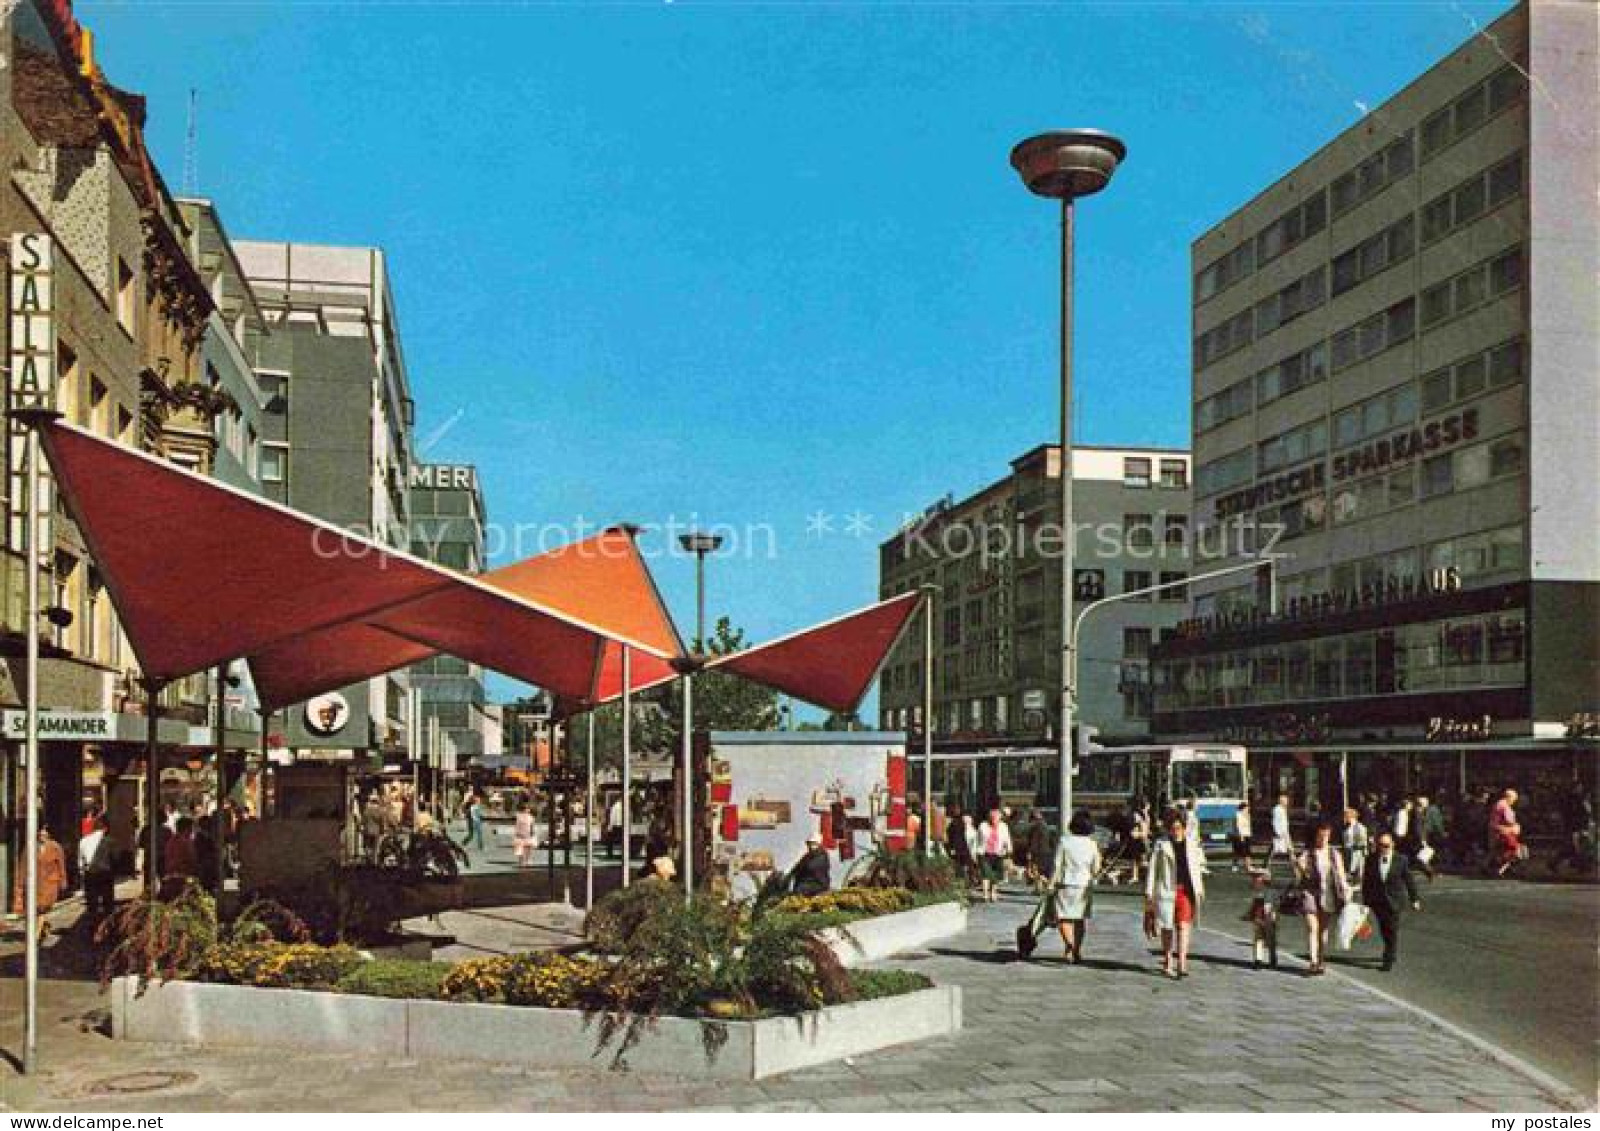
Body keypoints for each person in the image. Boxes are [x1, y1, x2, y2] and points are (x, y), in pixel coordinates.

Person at [1145, 810, 1205, 978]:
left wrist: (1199, 888)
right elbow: (1152, 871)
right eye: (1173, 828)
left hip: (1186, 891)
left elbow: (1198, 867)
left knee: (1183, 925)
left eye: (1179, 827)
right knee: (1167, 927)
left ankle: (1182, 962)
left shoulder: (1192, 844)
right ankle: (1167, 959)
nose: (1176, 831)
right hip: (1166, 891)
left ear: (1185, 828)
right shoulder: (1161, 844)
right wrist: (1149, 894)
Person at [1293, 822, 1350, 976]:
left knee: (1323, 930)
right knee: (1313, 928)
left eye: (1327, 835)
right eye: (1321, 836)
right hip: (1310, 893)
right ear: (1316, 836)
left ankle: (1321, 959)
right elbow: (1300, 876)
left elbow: (1341, 875)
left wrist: (1346, 891)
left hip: (1328, 894)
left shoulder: (1334, 854)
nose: (1324, 838)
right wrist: (1299, 867)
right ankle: (1312, 961)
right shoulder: (1308, 853)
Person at [1361, 831, 1422, 971]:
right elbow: (1367, 881)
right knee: (1384, 929)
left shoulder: (1401, 860)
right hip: (1378, 900)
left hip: (1395, 900)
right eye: (1380, 845)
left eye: (1386, 845)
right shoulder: (1371, 859)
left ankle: (1388, 957)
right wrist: (1366, 901)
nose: (1383, 848)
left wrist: (1415, 899)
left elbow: (1409, 880)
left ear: (1392, 845)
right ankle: (1390, 950)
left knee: (1392, 929)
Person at [1050, 810, 1101, 964]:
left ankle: (1069, 945)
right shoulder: (1092, 844)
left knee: (1064, 917)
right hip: (1084, 885)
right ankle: (1077, 950)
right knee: (1080, 919)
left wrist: (1051, 883)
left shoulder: (1064, 841)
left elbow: (1057, 865)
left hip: (1065, 884)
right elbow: (1096, 867)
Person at [10, 827, 68, 937]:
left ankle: (35, 935)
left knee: (42, 908)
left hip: (50, 884)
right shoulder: (29, 847)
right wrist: (20, 884)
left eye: (45, 834)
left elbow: (61, 865)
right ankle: (43, 929)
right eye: (40, 834)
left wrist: (63, 881)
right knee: (34, 908)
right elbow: (23, 866)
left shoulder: (56, 847)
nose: (42, 835)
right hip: (34, 883)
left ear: (49, 835)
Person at [79, 815, 116, 921]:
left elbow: (81, 863)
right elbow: (114, 860)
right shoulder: (110, 841)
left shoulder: (83, 841)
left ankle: (92, 924)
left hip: (89, 874)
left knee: (92, 904)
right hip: (105, 874)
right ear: (106, 828)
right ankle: (106, 926)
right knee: (108, 903)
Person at [976, 808, 1012, 903]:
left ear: (1000, 818)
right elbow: (978, 839)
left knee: (995, 875)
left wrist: (1009, 848)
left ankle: (993, 893)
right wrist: (977, 851)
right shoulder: (983, 826)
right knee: (986, 875)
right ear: (989, 817)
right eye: (992, 817)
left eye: (996, 817)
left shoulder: (1003, 826)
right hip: (984, 854)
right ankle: (985, 894)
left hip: (998, 854)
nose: (994, 819)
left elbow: (1007, 839)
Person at [1408, 794, 1445, 880]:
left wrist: (1423, 839)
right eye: (1418, 804)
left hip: (1426, 838)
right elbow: (1419, 827)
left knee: (1420, 858)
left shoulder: (1423, 813)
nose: (1417, 806)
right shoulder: (1418, 813)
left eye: (1419, 804)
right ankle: (1431, 872)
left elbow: (1422, 827)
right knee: (1420, 858)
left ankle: (1431, 872)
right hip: (1421, 838)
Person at [1489, 788, 1522, 877]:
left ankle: (1504, 869)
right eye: (1514, 800)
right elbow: (1509, 820)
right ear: (1509, 797)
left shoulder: (1498, 804)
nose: (1514, 802)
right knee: (1517, 852)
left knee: (1499, 852)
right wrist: (1516, 826)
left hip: (1496, 831)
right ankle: (1501, 870)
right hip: (1504, 832)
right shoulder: (1505, 806)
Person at [1026, 809, 1055, 893]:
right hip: (1047, 851)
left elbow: (1033, 841)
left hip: (1037, 852)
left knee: (1036, 871)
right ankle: (1038, 888)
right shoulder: (1046, 826)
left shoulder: (1036, 827)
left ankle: (1048, 885)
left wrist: (1030, 852)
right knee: (1040, 871)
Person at [1341, 806, 1370, 883]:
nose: (1344, 817)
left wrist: (1353, 847)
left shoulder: (1360, 827)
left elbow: (1363, 842)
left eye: (1346, 815)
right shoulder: (1346, 827)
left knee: (1358, 876)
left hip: (1357, 854)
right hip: (1348, 854)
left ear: (1351, 816)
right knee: (1349, 874)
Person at [1269, 793, 1292, 869]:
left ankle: (1294, 867)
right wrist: (1278, 832)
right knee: (1274, 850)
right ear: (1281, 801)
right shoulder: (1278, 809)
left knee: (1290, 850)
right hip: (1281, 833)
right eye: (1286, 800)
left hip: (1284, 832)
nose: (1287, 802)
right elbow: (1275, 821)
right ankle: (1266, 865)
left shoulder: (1282, 809)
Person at [512, 801, 536, 868]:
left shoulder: (531, 817)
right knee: (520, 850)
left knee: (529, 848)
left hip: (528, 834)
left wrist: (532, 833)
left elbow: (532, 826)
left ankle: (528, 860)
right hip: (520, 835)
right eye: (525, 809)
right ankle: (521, 861)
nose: (527, 810)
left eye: (528, 809)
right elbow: (516, 825)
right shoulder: (518, 816)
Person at [1231, 802, 1253, 871]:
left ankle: (1248, 866)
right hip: (1239, 836)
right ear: (1243, 808)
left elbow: (1248, 826)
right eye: (1247, 807)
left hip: (1247, 835)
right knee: (1238, 851)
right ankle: (1235, 865)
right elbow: (1239, 826)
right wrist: (1241, 836)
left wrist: (1250, 834)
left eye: (1248, 807)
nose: (1248, 808)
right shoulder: (1238, 815)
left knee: (1248, 851)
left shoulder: (1248, 815)